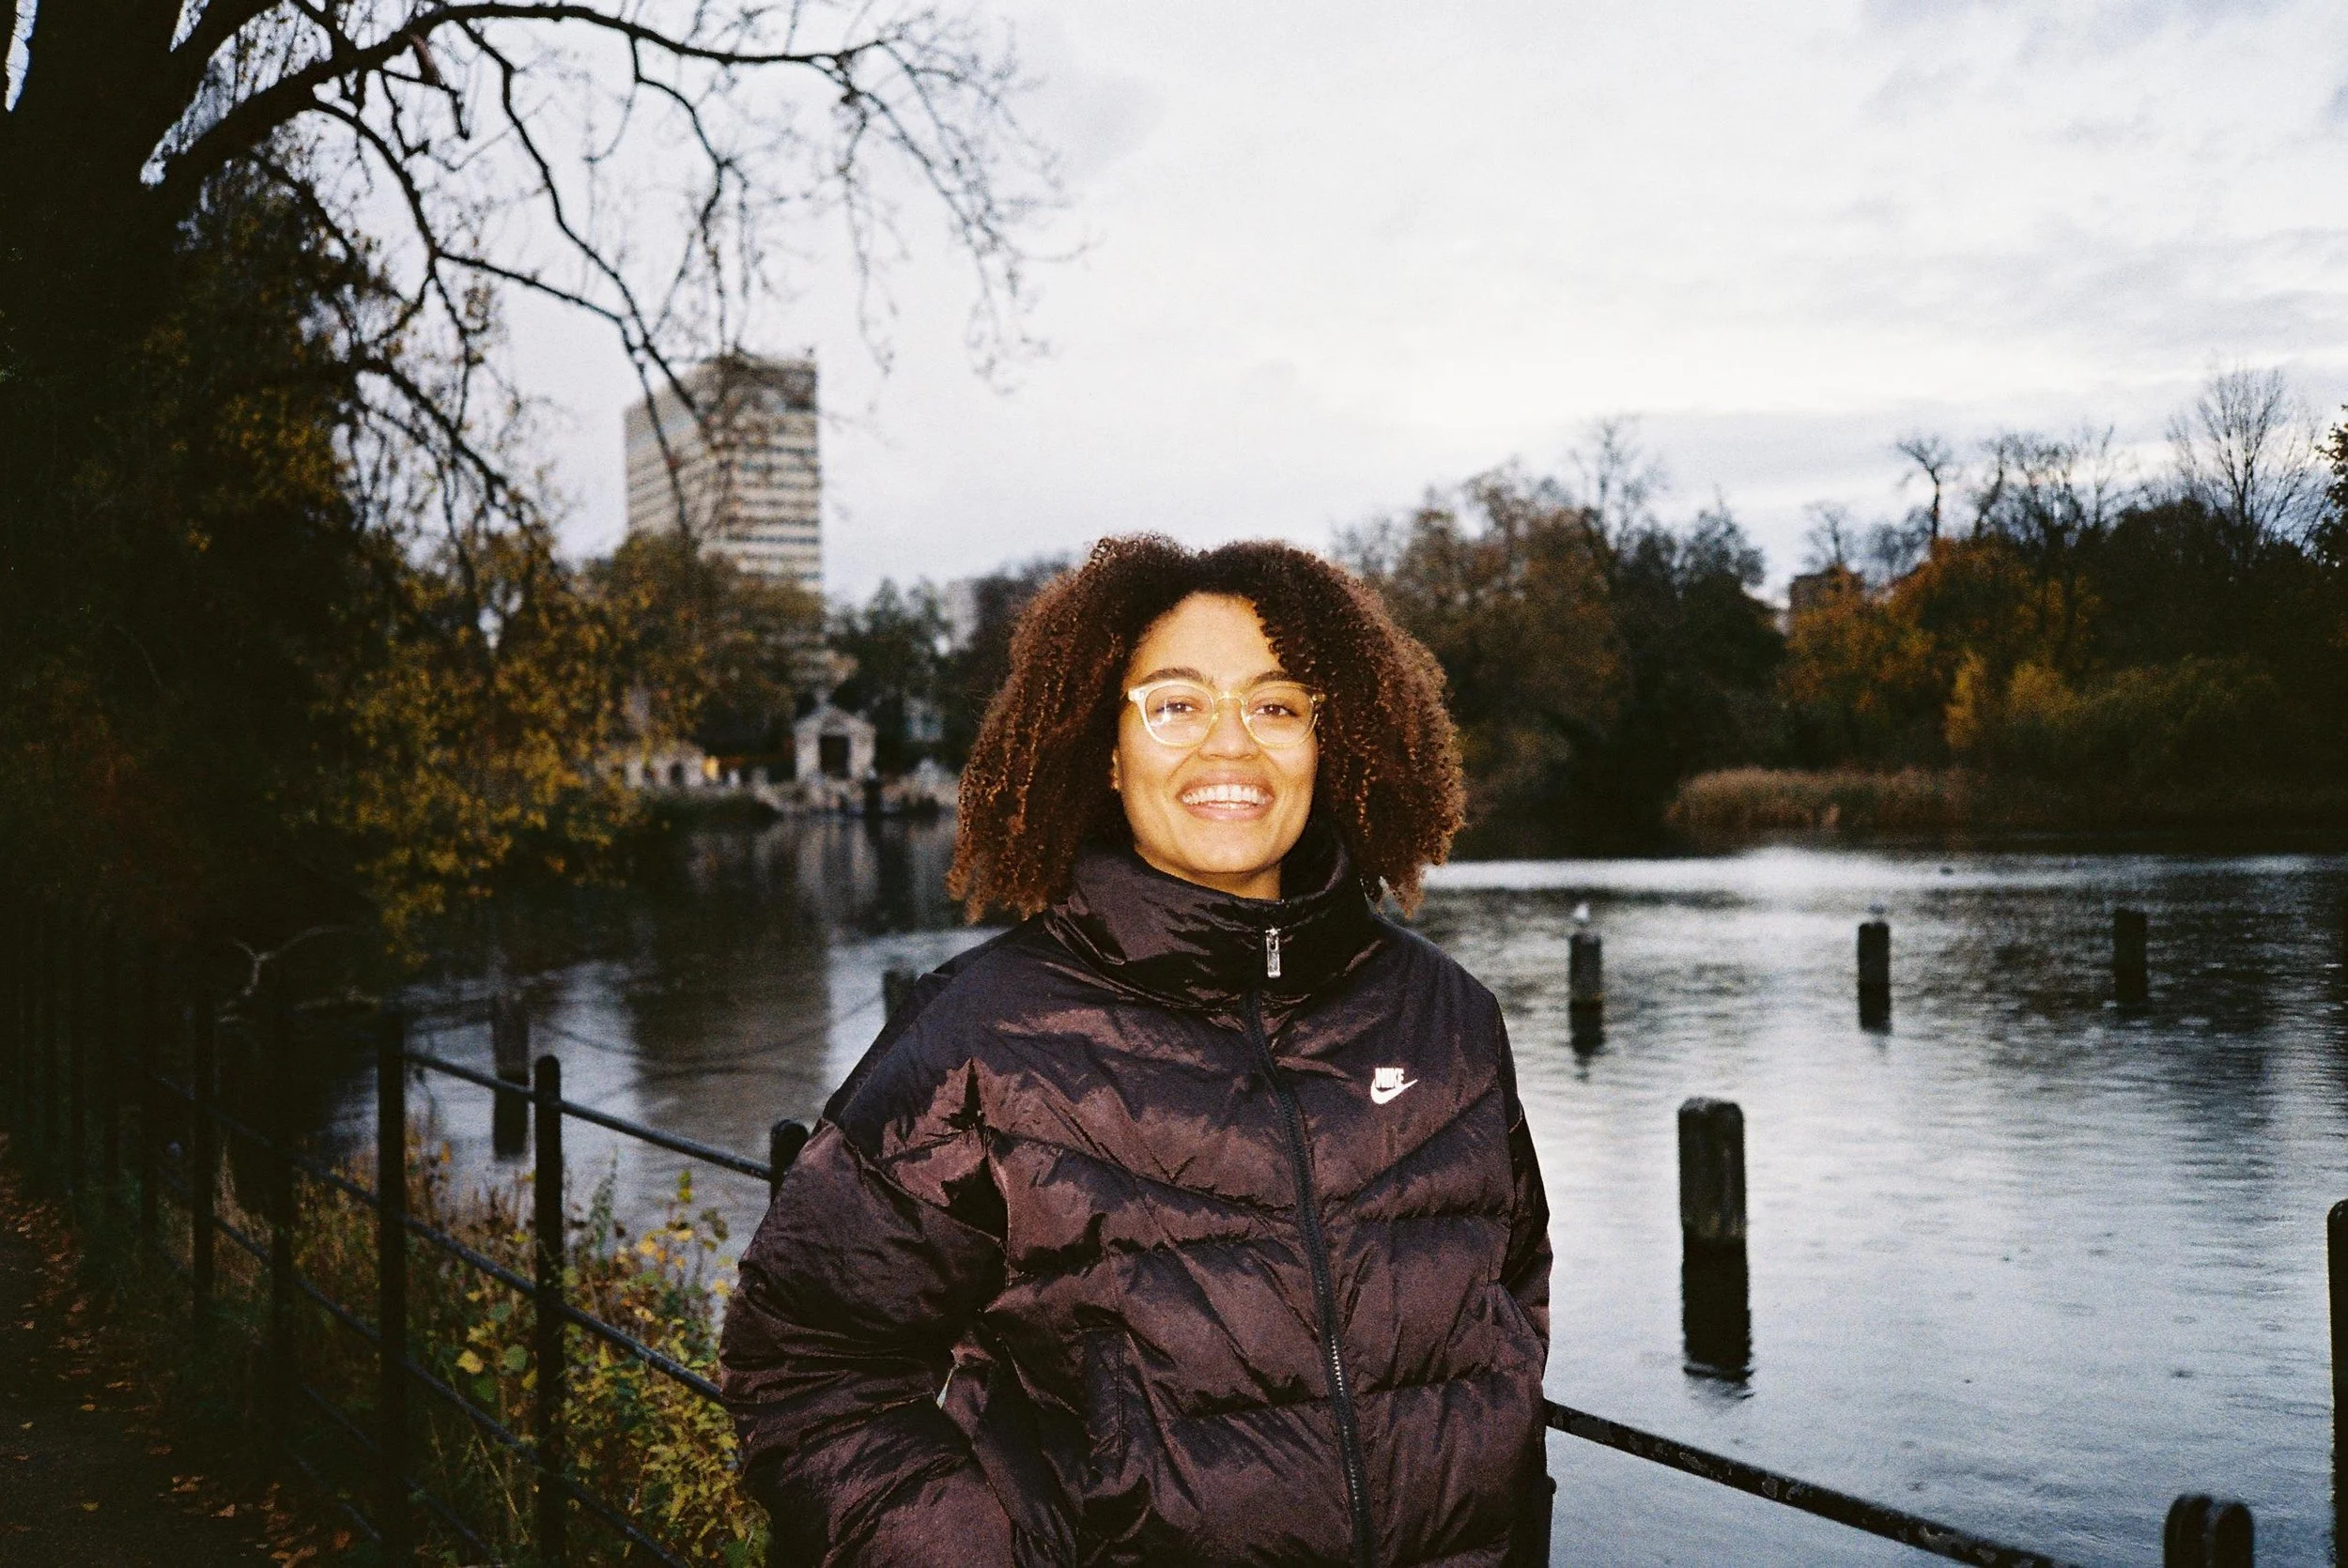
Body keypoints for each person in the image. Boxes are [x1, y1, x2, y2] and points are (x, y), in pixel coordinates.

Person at [719, 536, 1552, 1567]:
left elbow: (1509, 1318)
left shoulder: (1448, 1017)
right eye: (1176, 704)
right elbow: (808, 1370)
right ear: (1107, 754)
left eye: (1276, 705)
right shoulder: (979, 1040)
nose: (1231, 745)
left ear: (1328, 743)